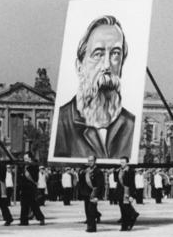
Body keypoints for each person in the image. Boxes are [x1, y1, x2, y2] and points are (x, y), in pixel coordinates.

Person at [53, 16, 135, 160]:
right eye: (98, 54)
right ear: (79, 67)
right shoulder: (62, 122)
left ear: (121, 65)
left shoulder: (131, 125)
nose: (107, 66)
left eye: (115, 54)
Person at [78, 155, 105, 233]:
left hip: (94, 193)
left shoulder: (98, 171)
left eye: (91, 161)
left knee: (91, 210)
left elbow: (100, 185)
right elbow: (81, 179)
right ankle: (89, 225)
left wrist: (98, 196)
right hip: (86, 193)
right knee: (87, 210)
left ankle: (93, 227)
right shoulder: (86, 170)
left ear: (95, 161)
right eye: (89, 161)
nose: (90, 162)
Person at [18, 153, 45, 226]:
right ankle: (23, 221)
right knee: (24, 205)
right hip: (24, 188)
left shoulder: (34, 166)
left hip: (31, 188)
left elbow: (35, 178)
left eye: (26, 158)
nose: (25, 160)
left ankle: (41, 218)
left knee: (34, 205)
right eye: (24, 158)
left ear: (30, 158)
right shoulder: (23, 167)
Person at [115, 156, 138, 231]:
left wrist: (132, 195)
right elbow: (116, 180)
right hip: (120, 192)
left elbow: (132, 184)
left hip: (127, 192)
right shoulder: (119, 170)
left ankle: (131, 220)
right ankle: (124, 226)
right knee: (122, 208)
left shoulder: (130, 171)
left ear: (127, 162)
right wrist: (115, 172)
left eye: (123, 162)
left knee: (126, 208)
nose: (122, 164)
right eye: (121, 162)